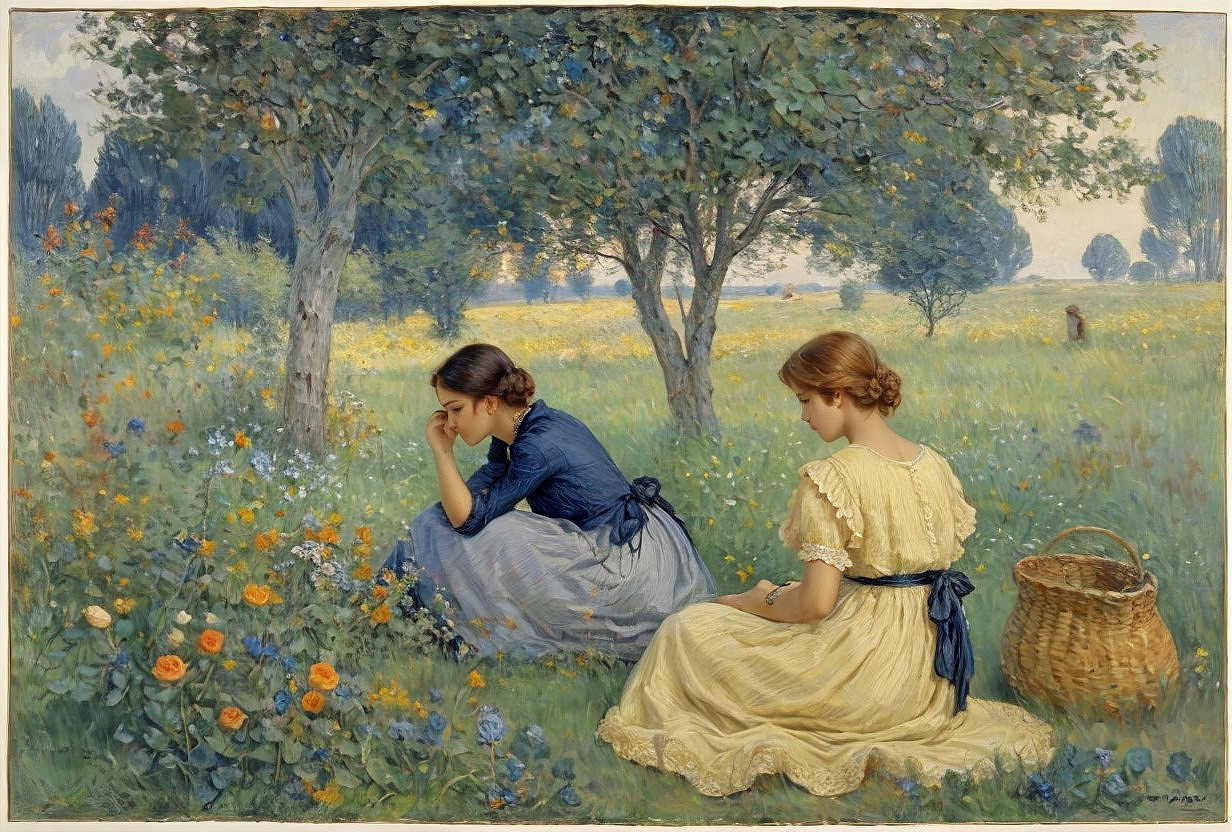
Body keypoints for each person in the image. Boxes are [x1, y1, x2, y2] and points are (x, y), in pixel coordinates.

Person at [596, 331, 1055, 797]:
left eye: (805, 400)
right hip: (927, 673)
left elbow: (816, 605)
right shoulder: (932, 464)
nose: (803, 416)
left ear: (837, 395)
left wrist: (760, 599)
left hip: (867, 673)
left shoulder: (834, 478)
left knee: (689, 628)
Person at [384, 343, 716, 660]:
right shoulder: (520, 427)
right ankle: (387, 604)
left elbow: (469, 520)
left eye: (455, 409)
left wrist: (442, 453)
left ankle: (401, 612)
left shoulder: (538, 444)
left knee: (497, 533)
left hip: (624, 561)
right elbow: (483, 485)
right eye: (445, 411)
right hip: (618, 537)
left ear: (488, 403)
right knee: (438, 519)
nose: (450, 423)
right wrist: (453, 503)